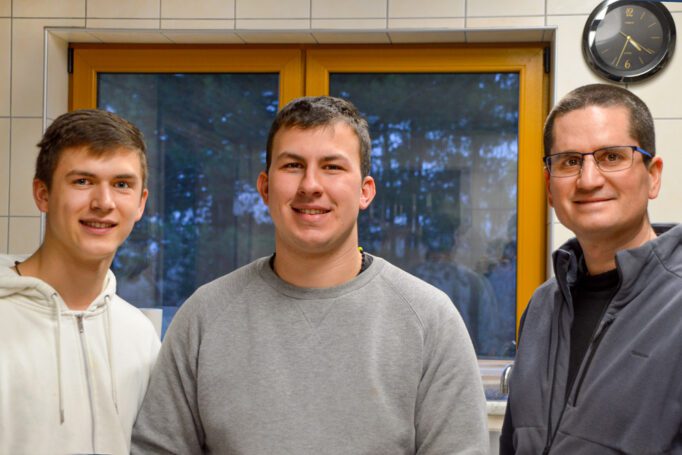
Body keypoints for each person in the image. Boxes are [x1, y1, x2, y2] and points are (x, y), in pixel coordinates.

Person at [132, 96, 488, 454]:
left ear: (365, 191)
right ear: (265, 188)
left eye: (332, 167)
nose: (310, 185)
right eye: (293, 165)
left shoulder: (430, 321)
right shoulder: (204, 318)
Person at [500, 84, 682, 453]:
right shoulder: (542, 308)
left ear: (653, 175)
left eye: (612, 157)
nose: (588, 180)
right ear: (550, 187)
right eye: (569, 161)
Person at [0, 109, 161, 454]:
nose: (103, 203)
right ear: (42, 194)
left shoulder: (141, 337)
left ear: (140, 203)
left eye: (122, 184)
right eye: (83, 181)